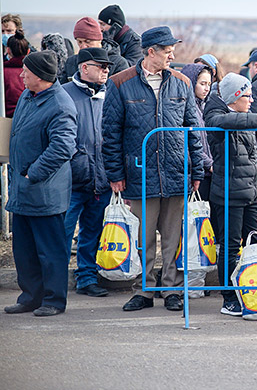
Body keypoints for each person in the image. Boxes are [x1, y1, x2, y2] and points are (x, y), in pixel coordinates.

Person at [102, 26, 204, 313]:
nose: (172, 55)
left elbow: (193, 129)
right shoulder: (120, 83)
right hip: (139, 174)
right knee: (143, 239)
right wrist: (115, 174)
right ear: (151, 52)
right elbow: (111, 133)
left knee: (172, 238)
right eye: (167, 51)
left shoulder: (182, 82)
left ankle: (171, 289)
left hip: (175, 172)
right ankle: (145, 291)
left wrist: (196, 170)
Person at [4, 51, 77, 316]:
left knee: (50, 252)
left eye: (26, 72)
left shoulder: (60, 104)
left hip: (45, 193)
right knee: (24, 251)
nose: (21, 75)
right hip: (22, 191)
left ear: (40, 76)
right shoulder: (28, 96)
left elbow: (63, 147)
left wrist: (33, 173)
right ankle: (30, 297)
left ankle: (53, 300)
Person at [203, 73, 257, 316]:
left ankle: (252, 289)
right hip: (228, 194)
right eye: (246, 96)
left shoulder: (243, 118)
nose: (251, 100)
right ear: (234, 98)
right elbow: (234, 121)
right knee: (230, 246)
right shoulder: (216, 117)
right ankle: (229, 297)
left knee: (254, 243)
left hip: (250, 192)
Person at [62, 48, 115, 298]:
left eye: (108, 66)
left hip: (101, 179)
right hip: (70, 180)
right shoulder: (63, 94)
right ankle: (54, 281)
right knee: (60, 234)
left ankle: (86, 278)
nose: (106, 70)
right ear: (84, 68)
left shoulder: (111, 94)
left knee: (92, 233)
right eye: (100, 66)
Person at [180, 63, 214, 202]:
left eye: (209, 84)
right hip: (196, 170)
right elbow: (189, 141)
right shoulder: (185, 107)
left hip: (206, 169)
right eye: (202, 83)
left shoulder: (204, 106)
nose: (207, 88)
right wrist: (208, 163)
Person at [59, 17, 129, 84]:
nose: (83, 46)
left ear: (99, 40)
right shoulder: (71, 62)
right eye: (79, 42)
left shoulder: (118, 63)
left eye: (88, 41)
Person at [3, 30, 30, 117]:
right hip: (29, 119)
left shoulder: (3, 73)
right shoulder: (35, 73)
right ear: (28, 51)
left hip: (5, 120)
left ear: (8, 50)